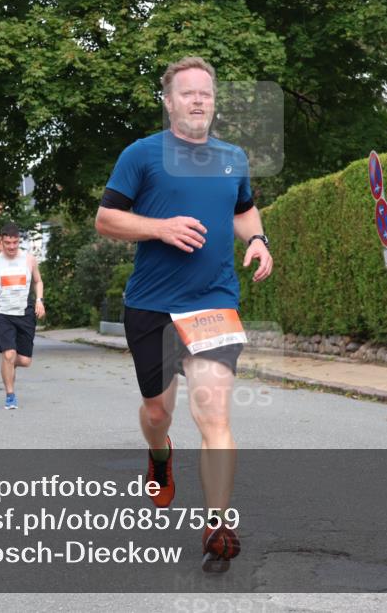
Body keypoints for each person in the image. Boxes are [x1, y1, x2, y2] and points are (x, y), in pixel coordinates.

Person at [95, 56, 273, 572]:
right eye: (188, 93)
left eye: (207, 93)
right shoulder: (142, 155)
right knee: (158, 413)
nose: (198, 100)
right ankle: (159, 454)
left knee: (214, 416)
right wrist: (159, 227)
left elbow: (243, 209)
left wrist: (258, 239)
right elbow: (106, 219)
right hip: (151, 306)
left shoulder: (232, 158)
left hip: (213, 302)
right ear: (169, 101)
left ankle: (218, 524)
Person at [0, 223, 45, 409]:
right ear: (1, 241)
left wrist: (39, 300)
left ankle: (8, 361)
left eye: (14, 242)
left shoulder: (29, 260)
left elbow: (38, 281)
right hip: (4, 314)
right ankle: (10, 395)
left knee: (26, 361)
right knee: (9, 354)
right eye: (7, 243)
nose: (11, 247)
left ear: (19, 241)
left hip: (26, 313)